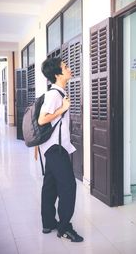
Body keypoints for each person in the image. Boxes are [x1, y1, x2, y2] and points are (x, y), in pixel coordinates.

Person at [38, 57, 83, 242]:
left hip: (52, 147)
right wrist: (62, 108)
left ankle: (48, 222)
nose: (69, 69)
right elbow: (42, 120)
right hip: (56, 149)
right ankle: (64, 228)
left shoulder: (58, 92)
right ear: (57, 74)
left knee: (50, 185)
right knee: (68, 186)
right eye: (65, 67)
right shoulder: (54, 95)